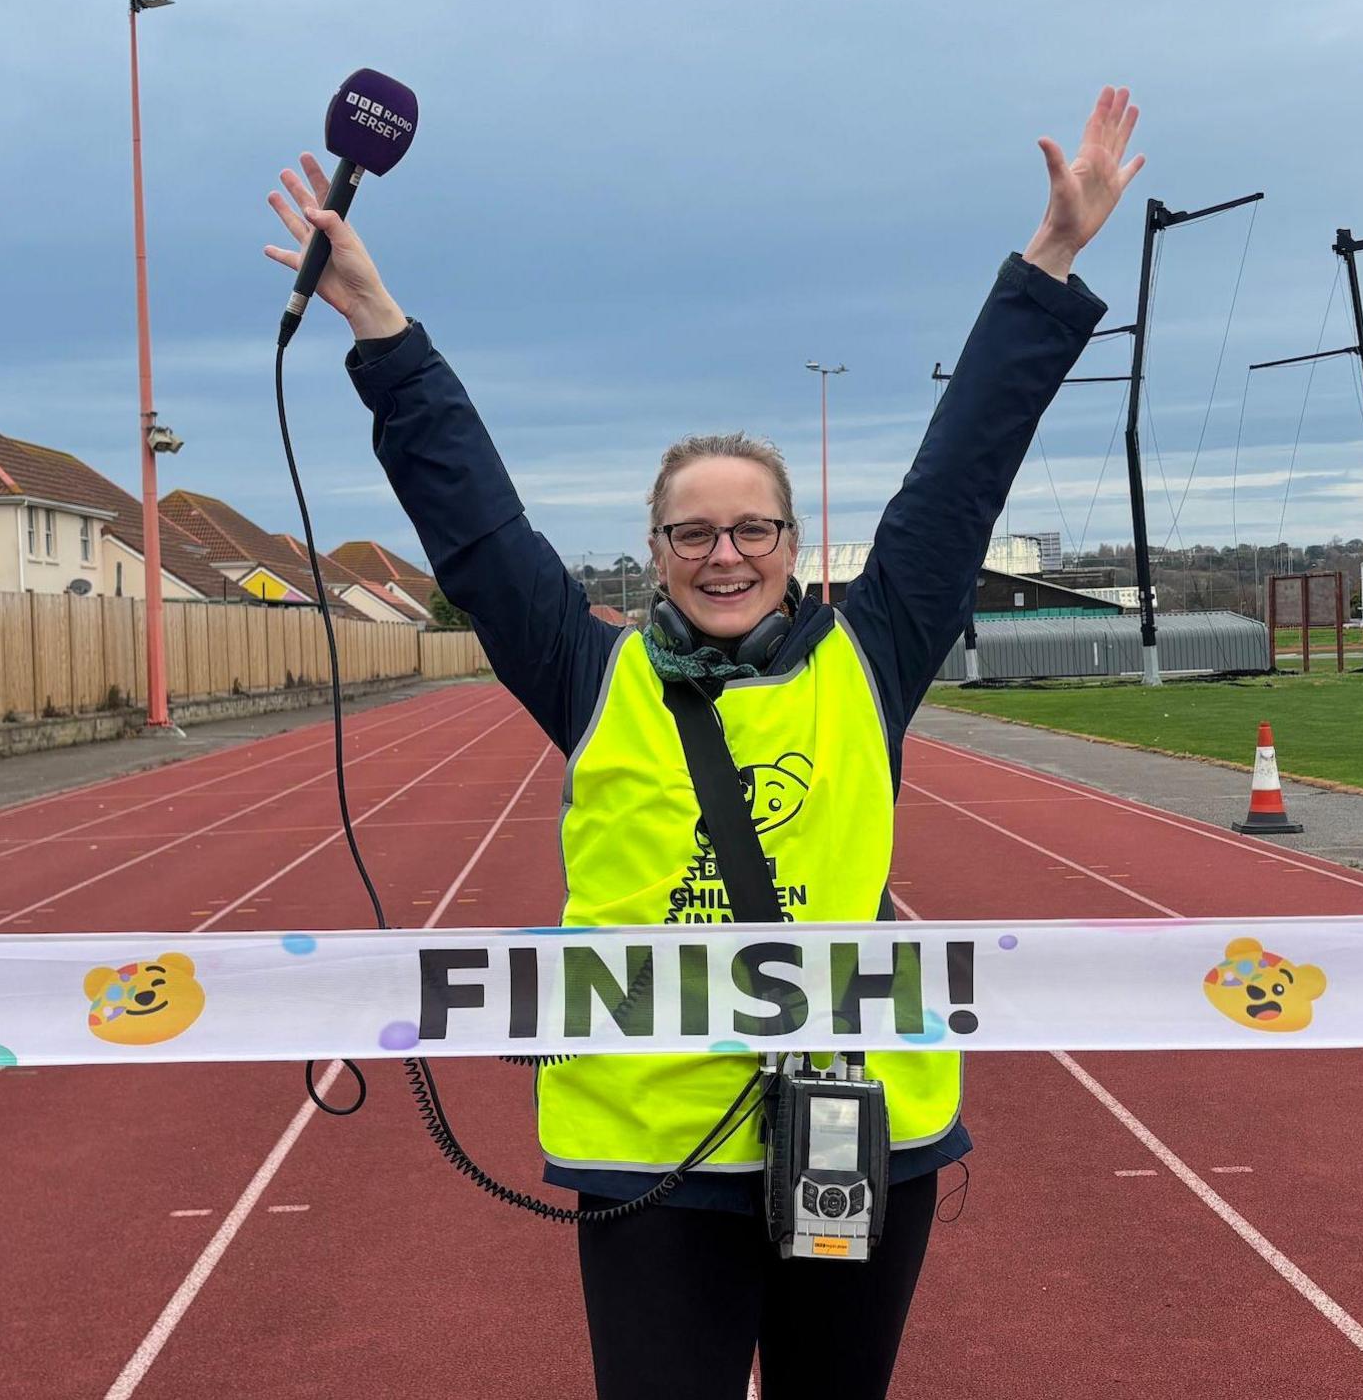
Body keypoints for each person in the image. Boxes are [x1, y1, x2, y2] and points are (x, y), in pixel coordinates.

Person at [264, 86, 1143, 1400]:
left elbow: (964, 471)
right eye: (694, 532)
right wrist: (379, 328)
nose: (725, 553)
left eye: (753, 529)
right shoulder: (592, 671)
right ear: (657, 550)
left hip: (853, 1128)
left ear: (792, 547)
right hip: (651, 1146)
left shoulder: (871, 651)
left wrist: (1052, 262)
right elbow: (477, 533)